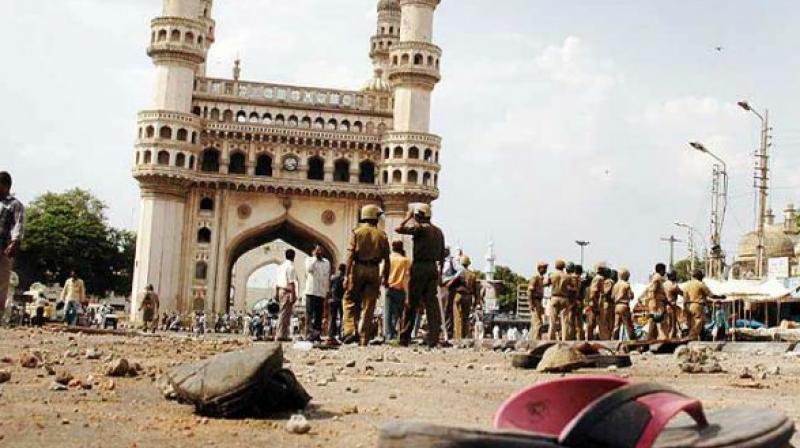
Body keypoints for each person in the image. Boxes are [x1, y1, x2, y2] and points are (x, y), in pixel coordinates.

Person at [397, 204, 446, 348]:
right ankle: (433, 338)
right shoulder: (438, 232)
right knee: (432, 304)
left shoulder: (419, 229)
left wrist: (407, 218)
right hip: (433, 268)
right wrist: (440, 273)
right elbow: (442, 255)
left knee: (412, 303)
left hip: (419, 267)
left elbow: (398, 228)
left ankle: (404, 337)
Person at [342, 205, 390, 346]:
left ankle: (350, 330)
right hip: (374, 270)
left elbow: (350, 255)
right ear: (375, 217)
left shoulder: (357, 232)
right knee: (369, 305)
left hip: (358, 268)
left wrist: (347, 275)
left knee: (349, 300)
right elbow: (387, 260)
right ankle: (364, 338)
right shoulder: (382, 235)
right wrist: (385, 277)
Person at [0, 172, 24, 326]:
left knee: (1, 284)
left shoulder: (14, 204)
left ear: (5, 186)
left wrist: (15, 241)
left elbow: (18, 224)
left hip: (4, 248)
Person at [304, 244, 331, 342]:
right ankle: (308, 335)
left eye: (321, 250)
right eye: (318, 250)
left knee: (319, 315)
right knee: (309, 314)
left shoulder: (326, 262)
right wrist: (315, 258)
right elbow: (309, 269)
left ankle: (316, 335)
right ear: (313, 251)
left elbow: (326, 277)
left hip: (321, 292)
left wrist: (327, 291)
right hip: (311, 291)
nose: (320, 252)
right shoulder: (309, 260)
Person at [384, 241, 411, 341]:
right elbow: (407, 278)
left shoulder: (388, 259)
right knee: (399, 314)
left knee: (388, 314)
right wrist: (408, 295)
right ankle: (399, 334)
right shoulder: (406, 260)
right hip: (401, 289)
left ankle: (389, 335)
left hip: (389, 288)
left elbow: (382, 274)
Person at [683, 270, 717, 340]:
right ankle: (693, 338)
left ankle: (698, 337)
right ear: (699, 276)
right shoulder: (700, 284)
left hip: (688, 306)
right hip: (698, 306)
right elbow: (711, 295)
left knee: (691, 323)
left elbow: (685, 297)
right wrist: (720, 297)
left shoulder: (687, 284)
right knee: (698, 322)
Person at [275, 249, 299, 342]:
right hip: (287, 291)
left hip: (281, 290)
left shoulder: (280, 267)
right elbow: (291, 282)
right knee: (285, 314)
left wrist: (276, 294)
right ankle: (281, 335)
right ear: (294, 256)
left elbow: (277, 283)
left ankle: (284, 334)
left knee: (283, 313)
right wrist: (294, 294)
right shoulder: (290, 267)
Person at [452, 255, 478, 340]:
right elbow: (475, 290)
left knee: (458, 317)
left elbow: (453, 284)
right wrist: (476, 302)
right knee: (466, 317)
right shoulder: (472, 275)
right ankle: (465, 336)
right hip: (469, 297)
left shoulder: (460, 273)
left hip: (459, 295)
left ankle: (458, 337)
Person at [548, 260, 574, 341]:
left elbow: (545, 283)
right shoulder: (568, 276)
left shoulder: (552, 275)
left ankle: (551, 339)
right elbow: (572, 286)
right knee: (565, 321)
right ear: (564, 267)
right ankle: (564, 340)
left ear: (556, 266)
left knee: (553, 321)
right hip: (564, 298)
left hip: (554, 298)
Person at [645, 263, 669, 340]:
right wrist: (654, 301)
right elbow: (652, 290)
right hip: (657, 302)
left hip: (656, 301)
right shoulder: (657, 277)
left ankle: (650, 337)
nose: (665, 272)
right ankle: (662, 337)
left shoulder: (656, 277)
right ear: (661, 270)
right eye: (664, 270)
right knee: (660, 321)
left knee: (653, 321)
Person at [612, 269, 636, 340]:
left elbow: (612, 296)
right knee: (629, 326)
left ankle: (614, 341)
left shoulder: (615, 285)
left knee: (616, 326)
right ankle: (632, 342)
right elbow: (631, 296)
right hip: (624, 305)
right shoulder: (626, 285)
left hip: (617, 306)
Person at [527, 262, 548, 341]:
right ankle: (536, 342)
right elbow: (529, 291)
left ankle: (533, 340)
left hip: (539, 301)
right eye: (544, 268)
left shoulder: (541, 279)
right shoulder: (535, 278)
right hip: (535, 301)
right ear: (539, 269)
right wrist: (531, 304)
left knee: (537, 323)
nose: (545, 270)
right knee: (537, 324)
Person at [585, 265, 606, 340]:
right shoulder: (598, 279)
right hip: (594, 304)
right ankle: (589, 340)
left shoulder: (598, 278)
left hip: (595, 303)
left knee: (593, 324)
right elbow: (593, 293)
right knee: (591, 323)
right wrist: (596, 305)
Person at [328, 264, 346, 341]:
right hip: (342, 300)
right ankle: (341, 334)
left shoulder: (333, 277)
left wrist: (330, 298)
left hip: (333, 299)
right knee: (343, 317)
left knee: (333, 317)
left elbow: (329, 288)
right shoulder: (344, 278)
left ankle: (331, 334)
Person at [664, 271, 684, 339]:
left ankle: (668, 337)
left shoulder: (664, 284)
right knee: (672, 325)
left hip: (664, 306)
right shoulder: (673, 285)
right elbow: (681, 293)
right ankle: (671, 338)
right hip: (671, 306)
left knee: (667, 324)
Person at [598, 269, 616, 340]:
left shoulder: (608, 282)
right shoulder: (611, 282)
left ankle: (606, 338)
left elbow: (605, 292)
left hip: (607, 304)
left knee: (605, 321)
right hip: (610, 304)